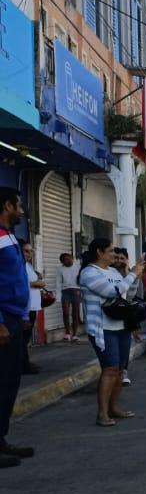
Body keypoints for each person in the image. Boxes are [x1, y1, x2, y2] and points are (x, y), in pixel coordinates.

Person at [78, 238, 144, 426]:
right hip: (102, 328)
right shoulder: (89, 273)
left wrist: (134, 276)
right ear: (99, 252)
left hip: (121, 326)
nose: (115, 254)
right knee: (110, 369)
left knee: (120, 370)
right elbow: (111, 292)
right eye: (111, 251)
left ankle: (113, 408)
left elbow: (127, 295)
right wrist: (132, 275)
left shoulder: (114, 271)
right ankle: (102, 413)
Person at [0, 189, 32, 467]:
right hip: (3, 320)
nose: (22, 210)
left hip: (14, 317)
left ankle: (2, 439)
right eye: (19, 205)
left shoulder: (9, 235)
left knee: (10, 381)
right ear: (7, 205)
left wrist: (22, 314)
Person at [20, 240, 43, 373]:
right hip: (26, 308)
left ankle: (25, 363)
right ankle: (23, 366)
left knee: (25, 338)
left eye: (31, 251)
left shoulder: (27, 265)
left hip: (33, 306)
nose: (29, 254)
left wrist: (37, 277)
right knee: (22, 338)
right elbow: (23, 283)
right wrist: (36, 283)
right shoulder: (18, 266)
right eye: (26, 251)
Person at [57, 252, 82, 343]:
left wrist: (81, 291)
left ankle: (75, 334)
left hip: (76, 291)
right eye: (64, 261)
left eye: (68, 259)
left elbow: (82, 280)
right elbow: (58, 282)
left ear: (72, 258)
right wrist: (58, 296)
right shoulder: (60, 269)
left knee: (75, 313)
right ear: (62, 262)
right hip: (65, 292)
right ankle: (67, 333)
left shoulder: (78, 267)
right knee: (66, 312)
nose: (67, 261)